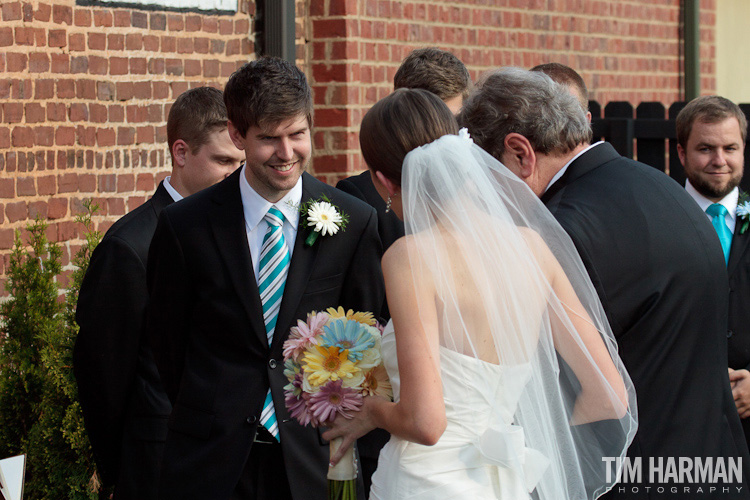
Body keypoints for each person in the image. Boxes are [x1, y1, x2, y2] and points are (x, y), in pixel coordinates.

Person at [324, 88, 637, 499]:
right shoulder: (533, 248)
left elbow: (426, 423)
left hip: (428, 484)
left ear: (383, 182)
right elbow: (609, 396)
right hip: (506, 482)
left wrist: (371, 411)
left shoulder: (411, 257)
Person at [459, 67, 750, 497]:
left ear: (521, 153)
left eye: (488, 173)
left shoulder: (559, 231)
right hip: (714, 466)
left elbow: (553, 382)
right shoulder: (657, 185)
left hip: (634, 474)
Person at [144, 57, 384, 500]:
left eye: (297, 134)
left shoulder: (353, 222)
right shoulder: (185, 227)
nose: (287, 154)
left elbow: (368, 334)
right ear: (237, 135)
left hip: (311, 458)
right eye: (269, 139)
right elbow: (168, 344)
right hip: (210, 462)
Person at [74, 86, 245, 499]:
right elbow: (103, 377)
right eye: (223, 160)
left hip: (229, 460)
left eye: (241, 162)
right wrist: (118, 472)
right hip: (156, 466)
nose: (236, 174)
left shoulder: (243, 232)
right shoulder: (129, 247)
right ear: (181, 153)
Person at [336, 47, 472, 254]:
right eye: (426, 123)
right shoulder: (358, 197)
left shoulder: (481, 187)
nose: (442, 136)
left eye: (453, 122)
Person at [677, 95, 750, 450]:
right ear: (681, 153)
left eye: (730, 148)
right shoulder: (657, 221)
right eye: (705, 148)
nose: (719, 161)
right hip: (680, 419)